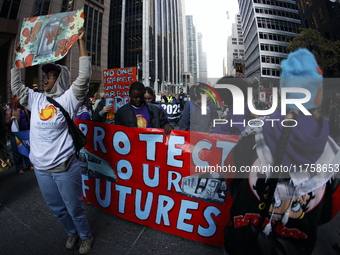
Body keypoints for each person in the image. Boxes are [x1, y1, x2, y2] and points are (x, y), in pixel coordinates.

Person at [222, 48, 340, 255]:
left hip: (240, 243)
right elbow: (328, 213)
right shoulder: (334, 156)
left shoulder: (250, 139)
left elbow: (231, 182)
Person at [12, 28, 94, 254]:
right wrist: (18, 61)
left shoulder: (69, 99)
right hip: (41, 169)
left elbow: (84, 77)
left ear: (61, 79)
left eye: (52, 75)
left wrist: (81, 43)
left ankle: (85, 236)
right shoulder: (36, 99)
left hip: (65, 167)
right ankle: (71, 233)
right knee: (57, 208)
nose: (46, 78)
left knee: (74, 207)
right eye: (45, 75)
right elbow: (17, 87)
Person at [5, 95, 33, 174]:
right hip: (16, 134)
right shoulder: (10, 110)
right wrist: (10, 119)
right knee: (16, 151)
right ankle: (19, 167)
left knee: (27, 148)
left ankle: (29, 164)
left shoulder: (24, 109)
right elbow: (6, 122)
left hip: (25, 132)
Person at [0, 96, 11, 172]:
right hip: (2, 130)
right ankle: (6, 160)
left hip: (1, 130)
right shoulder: (1, 107)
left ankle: (4, 162)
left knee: (2, 147)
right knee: (3, 147)